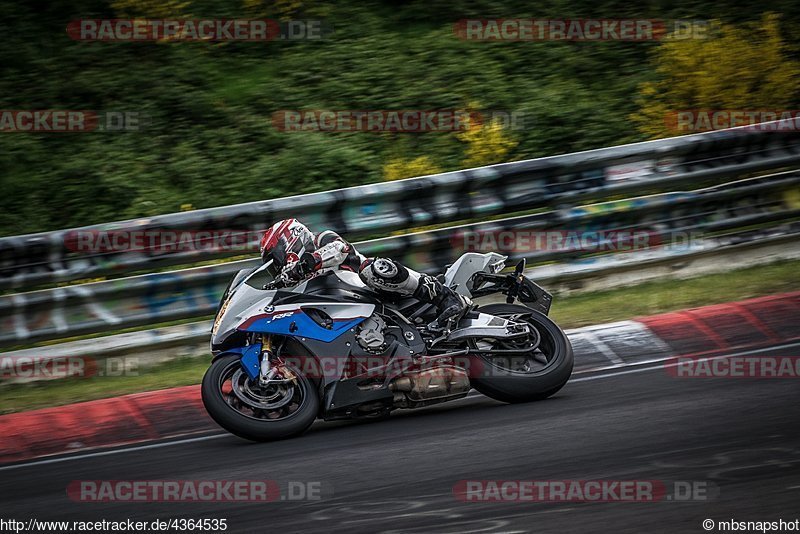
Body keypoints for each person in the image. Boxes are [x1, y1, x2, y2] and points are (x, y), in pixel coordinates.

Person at [259, 219, 470, 331]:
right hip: (356, 314)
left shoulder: (321, 239)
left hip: (377, 292)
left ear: (290, 240)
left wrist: (305, 265)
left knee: (373, 269)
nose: (277, 266)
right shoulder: (300, 282)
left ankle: (446, 297)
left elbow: (339, 249)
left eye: (275, 258)